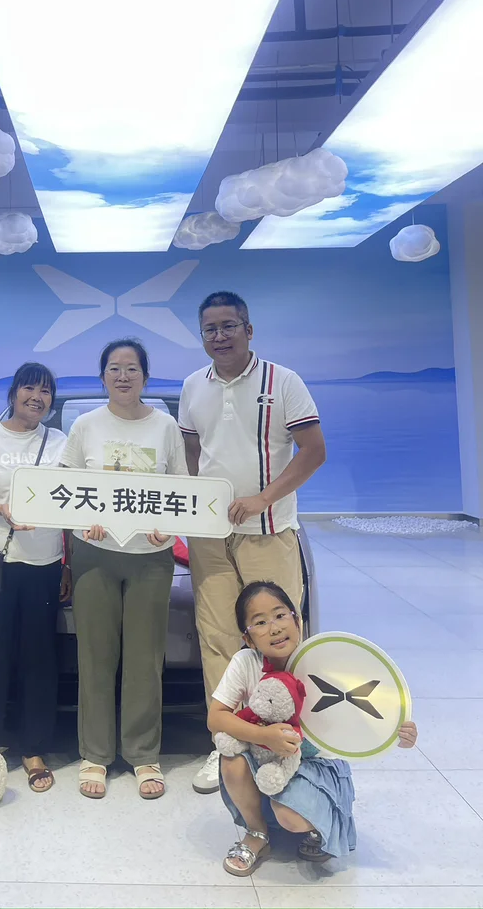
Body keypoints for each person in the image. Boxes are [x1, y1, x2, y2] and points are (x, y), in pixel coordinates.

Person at [179, 291, 327, 795]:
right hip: (211, 537)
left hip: (268, 531)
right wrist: (191, 509)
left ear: (248, 329)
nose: (219, 336)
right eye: (210, 329)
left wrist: (264, 497)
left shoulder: (283, 381)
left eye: (229, 326)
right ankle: (228, 742)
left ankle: (294, 741)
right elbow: (192, 454)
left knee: (280, 638)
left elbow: (313, 451)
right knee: (219, 637)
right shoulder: (192, 386)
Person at [211, 581, 418, 876]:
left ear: (297, 619)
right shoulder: (246, 662)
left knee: (290, 817)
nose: (274, 628)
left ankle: (317, 823)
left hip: (315, 762)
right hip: (264, 757)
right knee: (231, 759)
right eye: (260, 622)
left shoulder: (324, 658)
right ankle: (257, 833)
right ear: (248, 638)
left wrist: (399, 732)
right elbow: (216, 717)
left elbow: (371, 703)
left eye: (280, 615)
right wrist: (262, 735)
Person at [60, 338, 188, 800]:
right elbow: (65, 485)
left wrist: (167, 528)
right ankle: (95, 754)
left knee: (144, 659)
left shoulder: (165, 426)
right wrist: (82, 520)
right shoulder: (86, 426)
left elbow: (181, 488)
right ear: (103, 377)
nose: (123, 376)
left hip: (151, 556)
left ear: (145, 377)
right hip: (95, 553)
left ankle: (143, 754)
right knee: (95, 656)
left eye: (132, 368)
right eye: (114, 368)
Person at [0, 362, 69, 793]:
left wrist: (68, 564)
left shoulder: (59, 442)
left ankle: (33, 748)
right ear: (14, 392)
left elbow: (73, 503)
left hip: (44, 562)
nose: (36, 397)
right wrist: (0, 509)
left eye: (45, 391)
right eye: (29, 389)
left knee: (39, 658)